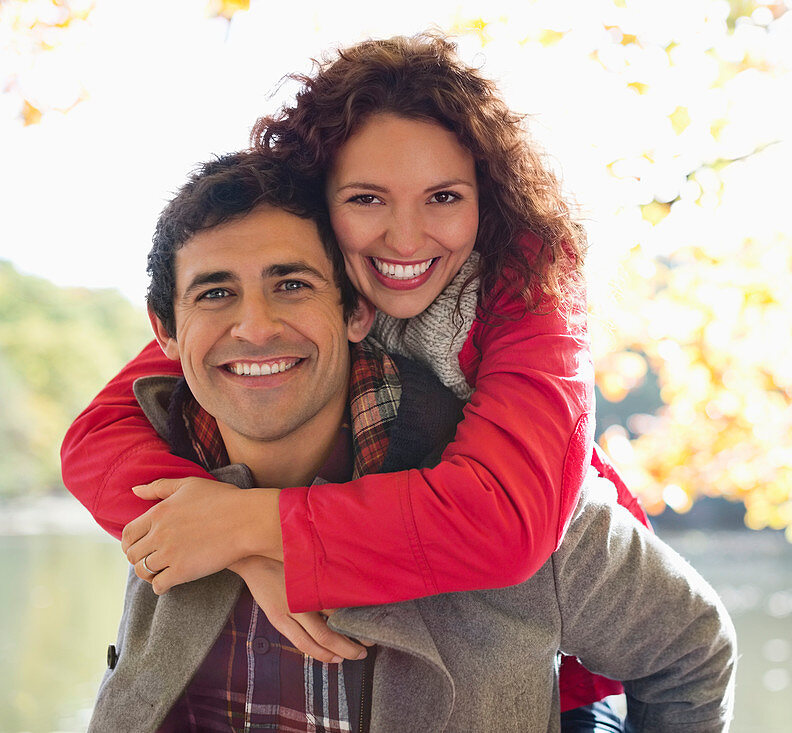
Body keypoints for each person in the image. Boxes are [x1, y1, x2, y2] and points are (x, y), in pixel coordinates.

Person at [62, 32, 647, 716]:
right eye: (367, 199)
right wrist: (238, 548)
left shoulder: (530, 282)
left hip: (569, 682)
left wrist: (255, 524)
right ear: (320, 198)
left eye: (444, 197)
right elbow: (99, 433)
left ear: (485, 199)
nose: (405, 237)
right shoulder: (277, 288)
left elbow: (508, 522)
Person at [88, 150, 736, 731]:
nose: (255, 327)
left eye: (291, 284)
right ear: (165, 332)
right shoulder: (162, 458)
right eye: (215, 292)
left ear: (356, 309)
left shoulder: (503, 489)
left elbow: (691, 650)